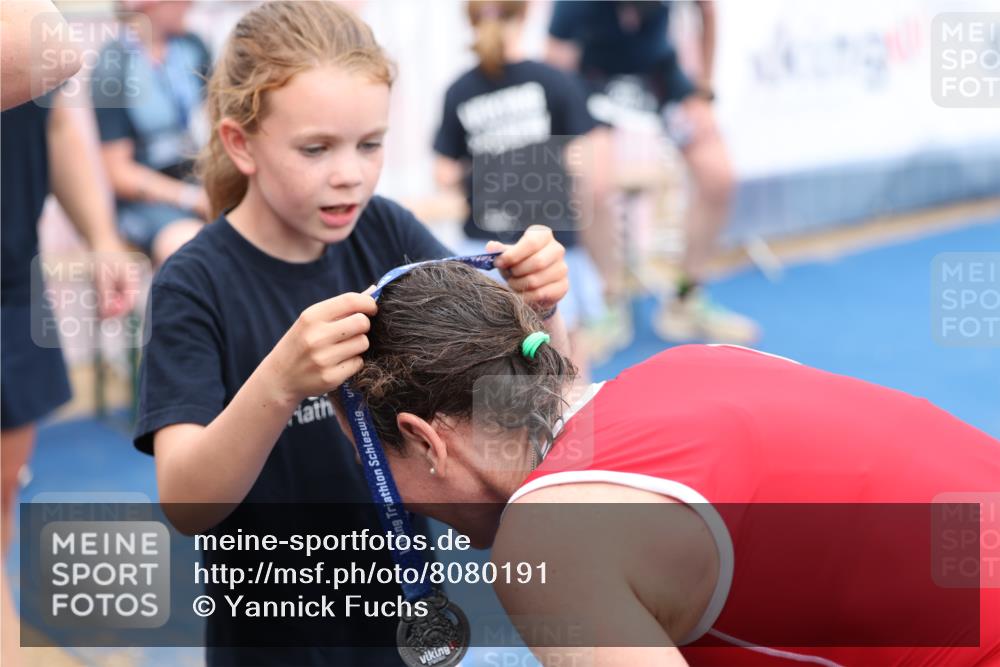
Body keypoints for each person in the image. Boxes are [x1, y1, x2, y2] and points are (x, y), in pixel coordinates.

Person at [134, 2, 569, 665]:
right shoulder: (194, 283)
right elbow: (187, 504)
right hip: (273, 636)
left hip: (402, 615)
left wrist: (539, 305)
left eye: (370, 144)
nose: (350, 173)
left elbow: (527, 393)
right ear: (241, 144)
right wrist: (280, 383)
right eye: (316, 149)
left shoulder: (386, 230)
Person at [341, 260, 1000, 667]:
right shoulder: (692, 362)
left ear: (425, 440)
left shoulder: (549, 534)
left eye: (375, 469)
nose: (392, 501)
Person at [2, 17, 138, 667]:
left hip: (10, 272)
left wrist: (102, 237)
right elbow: (50, 49)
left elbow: (56, 117)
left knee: (6, 480)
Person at [547, 0, 758, 344]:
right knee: (592, 182)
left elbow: (707, 10)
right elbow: (556, 66)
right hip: (593, 82)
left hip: (658, 77)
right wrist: (569, 136)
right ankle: (608, 302)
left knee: (718, 175)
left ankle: (686, 297)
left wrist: (702, 91)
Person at [433, 0, 605, 376]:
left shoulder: (459, 91)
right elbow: (584, 162)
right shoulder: (554, 80)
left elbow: (443, 174)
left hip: (486, 252)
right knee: (569, 360)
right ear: (524, 14)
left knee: (498, 368)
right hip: (551, 247)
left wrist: (486, 166)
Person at [91, 0, 211, 265]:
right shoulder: (113, 65)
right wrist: (193, 199)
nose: (190, 4)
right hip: (147, 199)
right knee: (189, 249)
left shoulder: (192, 46)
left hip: (199, 178)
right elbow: (118, 173)